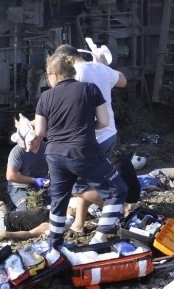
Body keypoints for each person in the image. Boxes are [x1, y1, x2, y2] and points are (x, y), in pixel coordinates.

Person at [27, 54, 128, 247]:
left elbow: (40, 131)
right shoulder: (90, 89)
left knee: (59, 200)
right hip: (84, 152)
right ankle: (100, 238)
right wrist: (87, 127)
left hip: (55, 155)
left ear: (55, 74)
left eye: (48, 76)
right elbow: (104, 122)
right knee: (118, 190)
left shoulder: (45, 97)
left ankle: (55, 245)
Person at [53, 43, 129, 231]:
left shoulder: (74, 76)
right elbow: (123, 81)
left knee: (78, 187)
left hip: (87, 139)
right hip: (109, 133)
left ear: (67, 60)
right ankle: (79, 223)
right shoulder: (100, 68)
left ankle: (122, 208)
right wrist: (103, 64)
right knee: (85, 180)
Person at [69, 150, 141, 234]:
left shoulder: (85, 152)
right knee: (83, 182)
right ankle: (78, 224)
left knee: (75, 185)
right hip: (132, 192)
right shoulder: (107, 144)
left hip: (124, 198)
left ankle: (120, 209)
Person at [6, 113, 49, 211]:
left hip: (42, 185)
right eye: (27, 139)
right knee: (27, 208)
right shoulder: (17, 151)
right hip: (20, 187)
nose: (29, 142)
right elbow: (10, 175)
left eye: (33, 139)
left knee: (54, 204)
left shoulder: (46, 148)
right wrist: (34, 180)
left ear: (40, 137)